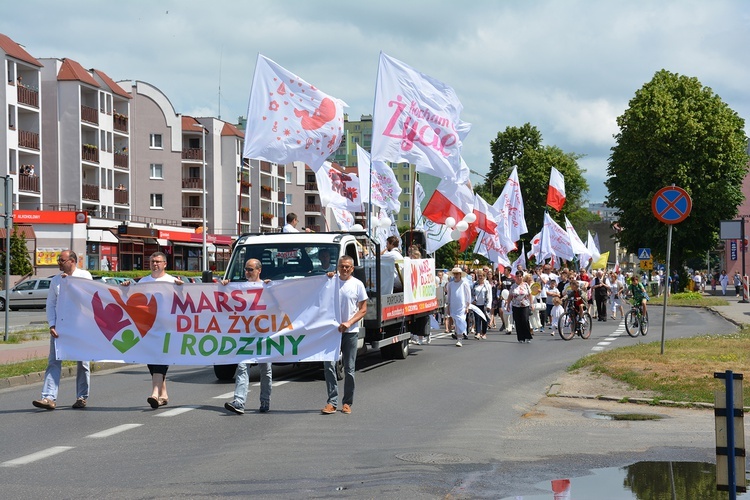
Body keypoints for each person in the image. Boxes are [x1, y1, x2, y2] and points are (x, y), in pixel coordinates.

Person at [33, 250, 93, 410]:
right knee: (54, 361)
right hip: (61, 327)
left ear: (72, 261)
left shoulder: (84, 276)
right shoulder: (56, 280)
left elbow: (89, 298)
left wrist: (71, 284)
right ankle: (48, 397)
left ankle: (82, 396)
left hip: (80, 328)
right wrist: (52, 324)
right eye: (59, 260)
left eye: (62, 260)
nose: (59, 263)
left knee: (83, 363)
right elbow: (51, 303)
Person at [130, 252, 183, 409]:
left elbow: (187, 301)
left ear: (165, 264)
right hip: (148, 329)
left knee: (160, 359)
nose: (155, 264)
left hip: (167, 329)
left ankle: (154, 393)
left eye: (158, 261)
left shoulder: (173, 281)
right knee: (152, 361)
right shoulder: (144, 281)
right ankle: (164, 395)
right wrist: (126, 286)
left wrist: (182, 289)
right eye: (153, 261)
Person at [224, 259, 273, 414]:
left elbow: (279, 305)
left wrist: (271, 289)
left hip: (263, 334)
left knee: (265, 369)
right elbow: (223, 304)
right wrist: (223, 287)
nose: (247, 272)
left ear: (259, 270)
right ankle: (239, 401)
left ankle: (265, 400)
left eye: (250, 269)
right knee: (242, 366)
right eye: (245, 269)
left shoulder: (266, 287)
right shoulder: (238, 288)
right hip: (245, 334)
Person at [321, 256, 368, 415]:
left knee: (349, 369)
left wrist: (349, 322)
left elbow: (363, 309)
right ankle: (331, 402)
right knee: (329, 366)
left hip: (350, 332)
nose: (345, 269)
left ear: (352, 268)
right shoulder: (330, 281)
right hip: (331, 332)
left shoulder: (357, 285)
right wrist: (327, 277)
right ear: (337, 267)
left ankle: (347, 402)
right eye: (342, 266)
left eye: (348, 267)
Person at [446, 266, 471, 347]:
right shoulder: (450, 284)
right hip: (453, 306)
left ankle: (459, 339)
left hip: (462, 306)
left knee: (460, 320)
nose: (456, 275)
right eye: (454, 274)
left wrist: (467, 306)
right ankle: (459, 336)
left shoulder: (464, 283)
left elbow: (468, 295)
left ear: (460, 274)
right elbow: (449, 296)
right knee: (456, 322)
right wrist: (448, 306)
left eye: (457, 274)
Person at [508, 271, 533, 343]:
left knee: (525, 320)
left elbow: (530, 295)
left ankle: (528, 336)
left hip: (525, 305)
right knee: (518, 321)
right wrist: (508, 305)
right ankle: (520, 337)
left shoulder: (526, 285)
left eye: (520, 276)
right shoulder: (513, 286)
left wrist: (531, 304)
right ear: (515, 277)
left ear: (522, 277)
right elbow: (510, 296)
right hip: (516, 305)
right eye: (517, 276)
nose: (519, 278)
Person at [471, 271, 492, 339]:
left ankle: (484, 333)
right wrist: (472, 300)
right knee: (477, 318)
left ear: (484, 276)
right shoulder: (474, 285)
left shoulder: (487, 285)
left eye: (481, 276)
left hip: (484, 304)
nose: (480, 277)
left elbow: (490, 296)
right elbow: (471, 294)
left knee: (484, 319)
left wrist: (489, 305)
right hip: (476, 304)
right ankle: (478, 333)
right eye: (479, 276)